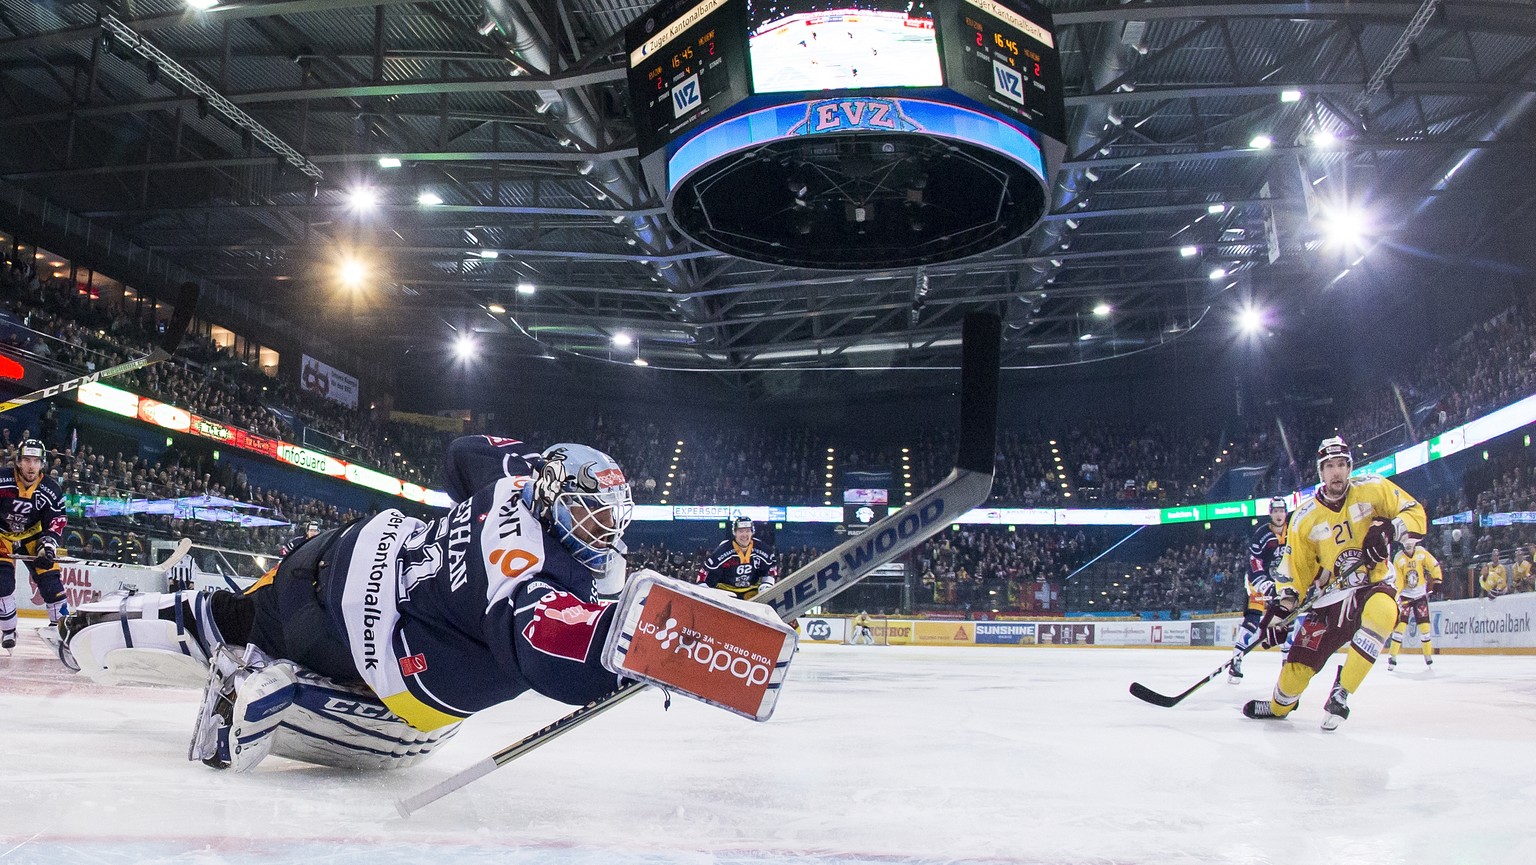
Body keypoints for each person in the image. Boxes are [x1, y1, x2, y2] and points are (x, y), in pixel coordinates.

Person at [57, 435, 795, 772]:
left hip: (333, 558)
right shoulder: (524, 569)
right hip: (367, 651)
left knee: (235, 614)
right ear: (555, 500)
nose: (603, 530)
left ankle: (104, 624)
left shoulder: (508, 480)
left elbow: (459, 454)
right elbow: (539, 639)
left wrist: (532, 460)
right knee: (407, 743)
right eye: (591, 514)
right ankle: (266, 693)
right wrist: (626, 651)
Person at [1243, 436, 1426, 730]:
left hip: (1373, 584)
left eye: (1342, 464)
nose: (1336, 472)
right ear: (1321, 472)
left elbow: (1416, 513)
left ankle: (1342, 692)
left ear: (1350, 466)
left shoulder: (1374, 488)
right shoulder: (1304, 518)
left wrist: (1391, 528)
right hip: (1331, 598)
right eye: (1329, 466)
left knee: (1383, 612)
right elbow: (1295, 575)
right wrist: (1279, 614)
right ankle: (1279, 706)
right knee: (1295, 674)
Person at [0, 439, 68, 650]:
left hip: (33, 535)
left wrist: (47, 546)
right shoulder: (2, 479)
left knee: (53, 588)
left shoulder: (51, 489)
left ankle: (62, 630)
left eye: (36, 461)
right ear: (18, 462)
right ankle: (8, 630)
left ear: (42, 463)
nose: (31, 466)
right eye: (27, 460)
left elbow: (56, 521)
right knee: (2, 585)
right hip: (2, 535)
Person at [1228, 496, 1288, 683]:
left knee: (1287, 620)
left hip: (1281, 583)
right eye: (1275, 511)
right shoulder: (1261, 535)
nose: (1279, 514)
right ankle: (1236, 661)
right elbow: (1254, 563)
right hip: (1258, 583)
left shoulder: (1293, 531)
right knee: (1253, 621)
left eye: (1281, 510)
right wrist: (1263, 584)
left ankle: (1287, 666)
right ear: (1270, 513)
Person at [1387, 534, 1442, 669]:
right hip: (1405, 596)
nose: (1409, 545)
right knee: (1400, 627)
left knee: (1425, 628)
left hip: (1419, 596)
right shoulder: (1399, 558)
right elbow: (1398, 579)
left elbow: (1433, 564)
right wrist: (1396, 594)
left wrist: (1437, 579)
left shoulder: (1421, 553)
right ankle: (1392, 656)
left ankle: (1428, 656)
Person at [698, 516, 779, 600]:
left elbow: (771, 567)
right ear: (734, 532)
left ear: (752, 532)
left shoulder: (763, 549)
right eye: (741, 531)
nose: (744, 535)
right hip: (726, 591)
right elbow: (706, 571)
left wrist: (767, 584)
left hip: (751, 590)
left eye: (747, 531)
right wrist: (703, 587)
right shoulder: (723, 550)